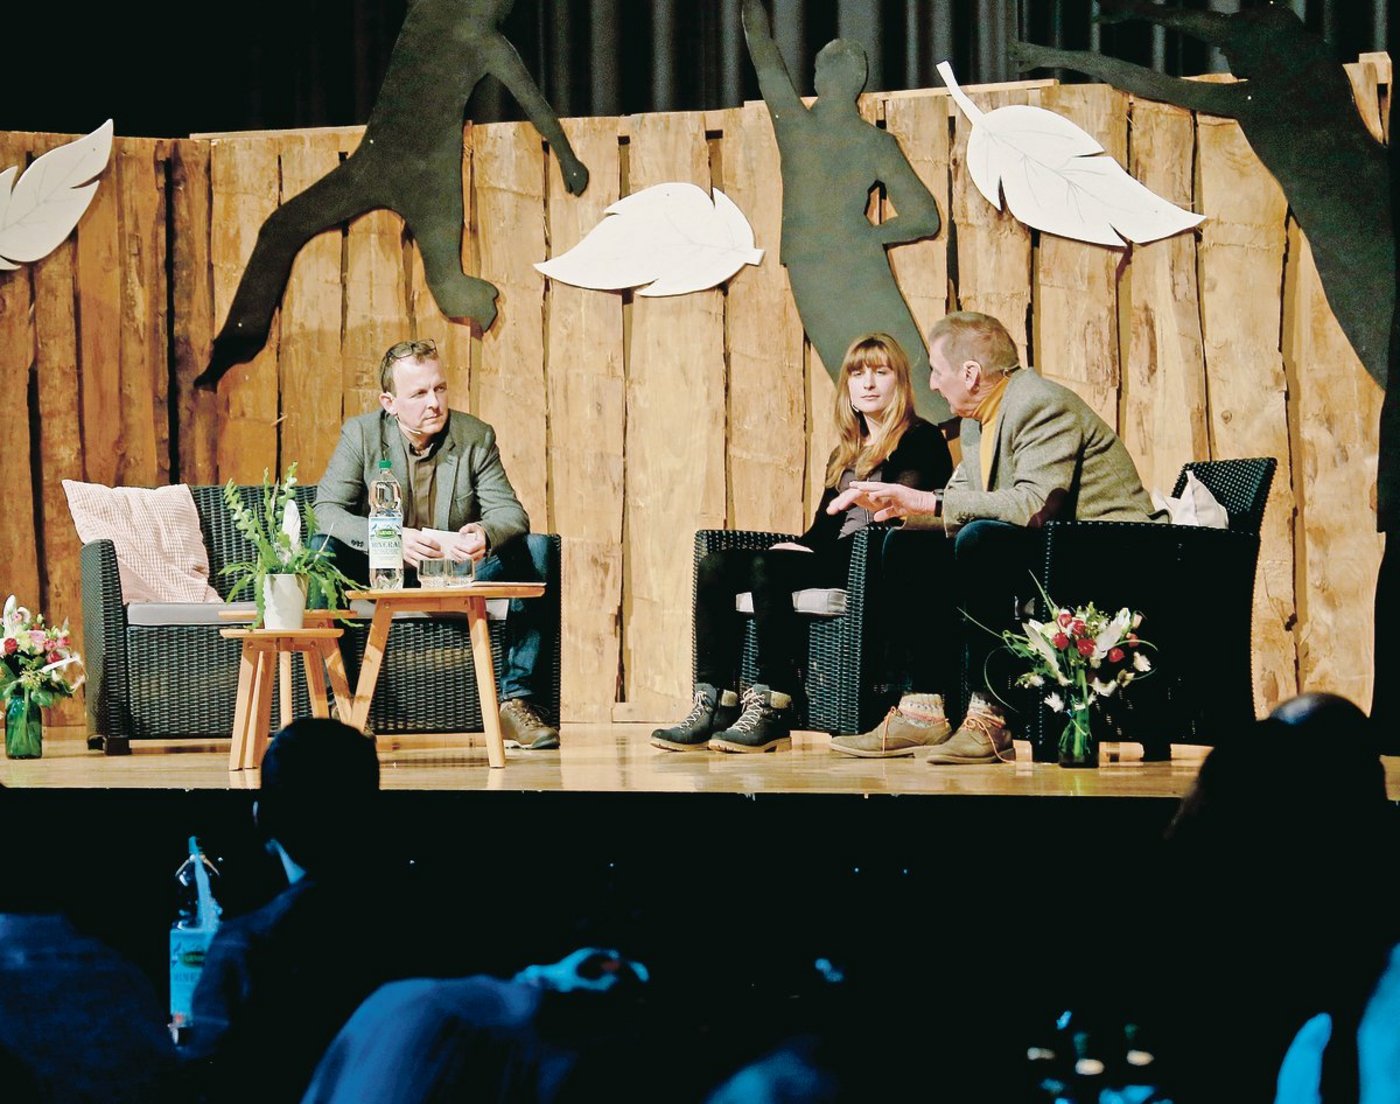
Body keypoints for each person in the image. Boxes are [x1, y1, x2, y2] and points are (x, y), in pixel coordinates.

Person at [829, 311, 1160, 764]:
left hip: (1110, 549)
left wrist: (927, 502)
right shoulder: (975, 419)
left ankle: (992, 718)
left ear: (970, 373)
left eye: (937, 371)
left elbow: (1032, 504)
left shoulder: (1039, 402)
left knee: (981, 540)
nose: (931, 385)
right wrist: (905, 509)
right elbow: (960, 497)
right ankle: (922, 712)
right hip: (1050, 546)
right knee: (908, 541)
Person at [652, 333, 952, 754]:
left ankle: (776, 703)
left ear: (899, 382)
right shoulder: (844, 451)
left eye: (880, 373)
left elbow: (896, 519)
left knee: (766, 568)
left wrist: (800, 556)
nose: (867, 384)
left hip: (874, 563)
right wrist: (798, 546)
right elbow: (824, 529)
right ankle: (715, 701)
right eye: (857, 374)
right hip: (833, 555)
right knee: (717, 564)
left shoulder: (919, 438)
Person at [182, 719, 497, 1104]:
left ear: (260, 817)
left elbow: (209, 1081)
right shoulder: (441, 924)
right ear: (374, 811)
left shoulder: (246, 946)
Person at [316, 337, 560, 749]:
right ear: (389, 402)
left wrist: (482, 534)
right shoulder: (361, 435)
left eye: (440, 388)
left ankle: (518, 704)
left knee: (535, 549)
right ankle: (342, 706)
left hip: (453, 570)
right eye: (419, 393)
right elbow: (326, 510)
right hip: (381, 569)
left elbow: (511, 514)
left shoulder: (474, 436)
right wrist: (387, 539)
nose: (435, 403)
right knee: (320, 550)